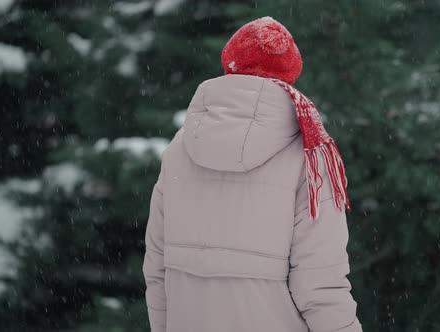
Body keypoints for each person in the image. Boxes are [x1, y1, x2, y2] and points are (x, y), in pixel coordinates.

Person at [142, 16, 363, 332]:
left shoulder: (180, 147)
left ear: (229, 63)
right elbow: (321, 284)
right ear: (290, 72)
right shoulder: (311, 156)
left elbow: (157, 269)